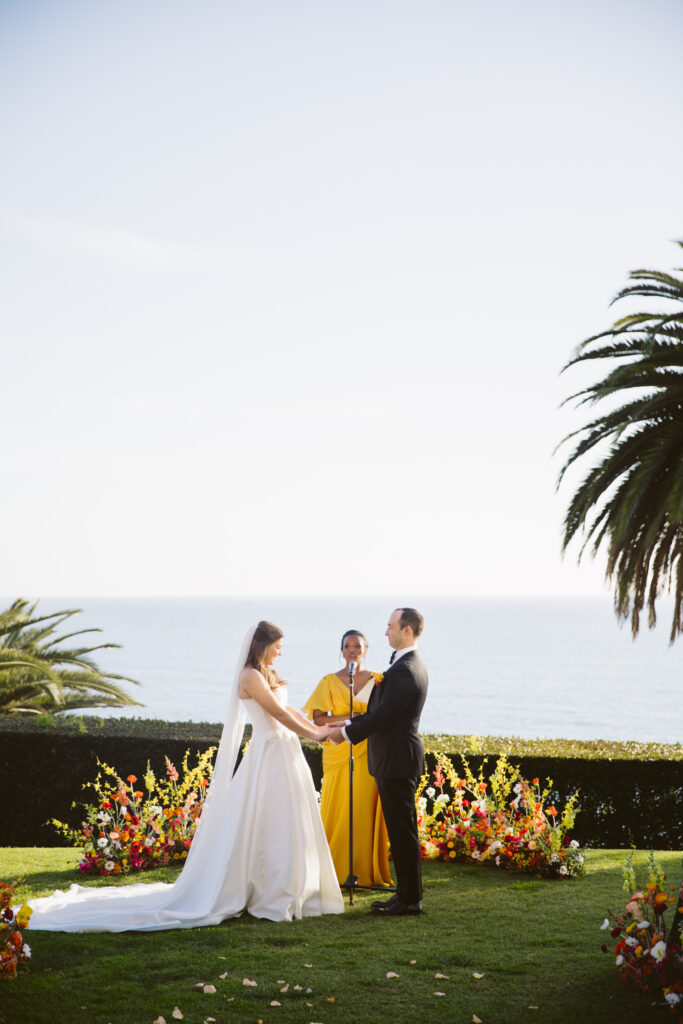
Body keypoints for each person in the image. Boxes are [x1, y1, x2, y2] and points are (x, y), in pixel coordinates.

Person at [22, 621, 344, 930]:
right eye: (277, 646)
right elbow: (274, 713)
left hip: (284, 751)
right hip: (268, 754)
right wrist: (315, 736)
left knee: (286, 821)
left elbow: (287, 711)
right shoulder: (249, 676)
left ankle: (289, 888)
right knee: (267, 822)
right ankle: (270, 893)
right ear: (262, 645)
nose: (280, 653)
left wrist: (318, 729)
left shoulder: (267, 674)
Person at [327, 608, 428, 916]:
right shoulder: (405, 665)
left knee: (402, 832)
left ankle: (409, 900)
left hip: (397, 760)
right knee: (401, 831)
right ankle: (406, 896)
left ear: (406, 631)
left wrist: (344, 733)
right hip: (396, 759)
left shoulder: (405, 670)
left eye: (390, 627)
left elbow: (383, 717)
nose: (386, 632)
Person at [302, 629, 392, 888]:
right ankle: (333, 869)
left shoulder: (379, 680)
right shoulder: (329, 680)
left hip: (369, 751)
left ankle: (363, 869)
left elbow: (384, 714)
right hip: (337, 750)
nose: (352, 650)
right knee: (337, 806)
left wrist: (357, 720)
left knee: (363, 806)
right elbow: (318, 718)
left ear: (366, 650)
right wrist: (348, 719)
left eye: (358, 646)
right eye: (347, 646)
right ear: (341, 651)